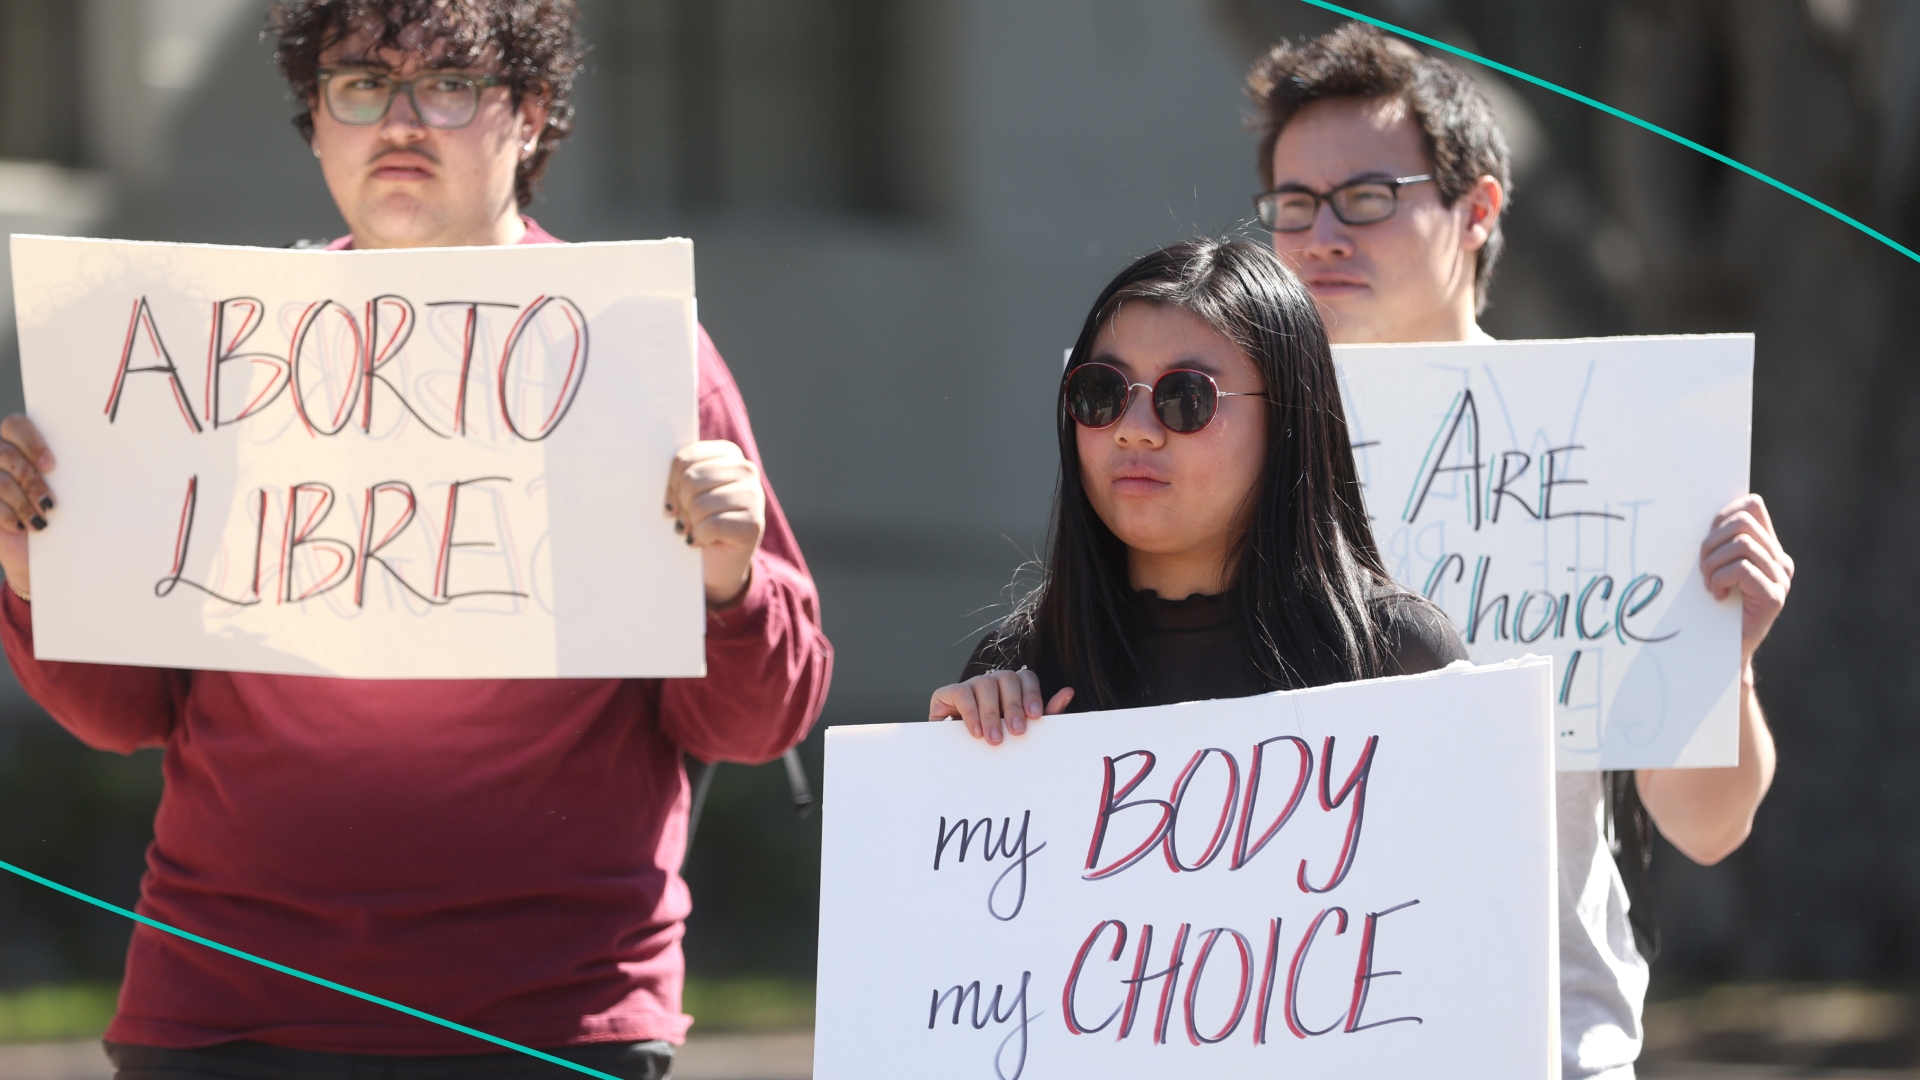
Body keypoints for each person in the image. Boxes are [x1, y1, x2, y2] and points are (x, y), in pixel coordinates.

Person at [0, 2, 832, 1078]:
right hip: (226, 1013)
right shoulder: (217, 355)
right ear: (314, 117)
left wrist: (729, 584)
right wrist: (37, 578)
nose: (400, 122)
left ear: (529, 114)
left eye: (449, 84)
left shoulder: (634, 349)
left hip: (546, 1018)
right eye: (358, 85)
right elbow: (123, 715)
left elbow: (760, 721)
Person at [1242, 23, 1794, 1079]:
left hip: (1540, 1044)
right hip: (1279, 1038)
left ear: (1478, 208)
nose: (1320, 235)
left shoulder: (1611, 447)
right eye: (1293, 204)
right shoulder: (1224, 445)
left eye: (1365, 196)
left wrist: (1727, 656)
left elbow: (1709, 828)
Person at [929, 237, 1466, 745]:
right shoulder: (1014, 677)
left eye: (1186, 396)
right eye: (1101, 391)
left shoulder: (1398, 656)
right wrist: (949, 762)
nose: (1132, 428)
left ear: (1286, 420)